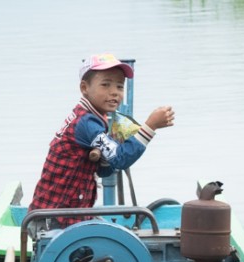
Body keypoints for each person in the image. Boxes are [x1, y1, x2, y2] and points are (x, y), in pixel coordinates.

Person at [28, 53, 175, 228]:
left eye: (119, 86)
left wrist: (106, 159)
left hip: (70, 213)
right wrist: (150, 127)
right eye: (105, 85)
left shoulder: (94, 117)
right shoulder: (87, 123)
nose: (114, 92)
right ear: (84, 88)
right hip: (53, 220)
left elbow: (105, 171)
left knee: (113, 233)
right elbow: (121, 160)